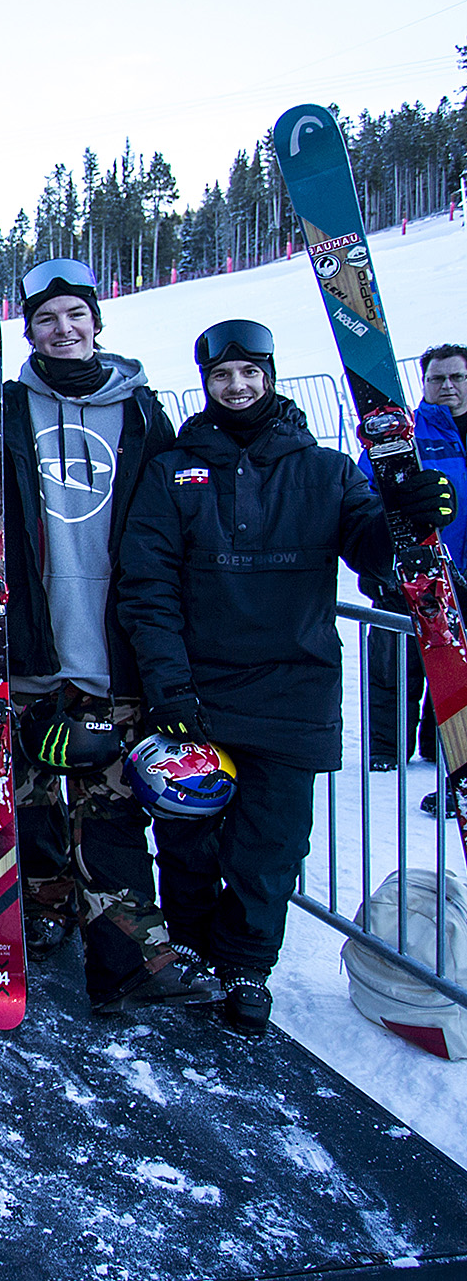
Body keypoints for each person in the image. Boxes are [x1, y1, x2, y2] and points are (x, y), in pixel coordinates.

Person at [117, 318, 443, 1034]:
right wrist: (168, 687)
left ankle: (246, 966)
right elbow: (147, 585)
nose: (235, 387)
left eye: (248, 373)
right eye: (221, 376)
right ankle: (195, 953)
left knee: (271, 847)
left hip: (293, 689)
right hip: (198, 691)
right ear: (206, 383)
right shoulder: (174, 470)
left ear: (269, 375)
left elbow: (366, 547)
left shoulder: (322, 468)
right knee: (190, 843)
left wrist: (402, 520)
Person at [0, 257, 216, 1013]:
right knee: (30, 801)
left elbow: (174, 515)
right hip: (30, 639)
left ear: (95, 324)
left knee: (108, 811)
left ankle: (129, 959)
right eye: (45, 320)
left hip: (115, 644)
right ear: (28, 331)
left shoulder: (141, 412)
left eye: (75, 316)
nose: (62, 330)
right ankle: (40, 910)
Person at [358, 344, 467, 772]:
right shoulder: (407, 433)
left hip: (462, 574)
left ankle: (444, 746)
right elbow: (366, 492)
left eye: (456, 377)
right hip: (407, 571)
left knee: (454, 664)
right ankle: (387, 749)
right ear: (423, 383)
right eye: (437, 379)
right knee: (395, 664)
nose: (447, 387)